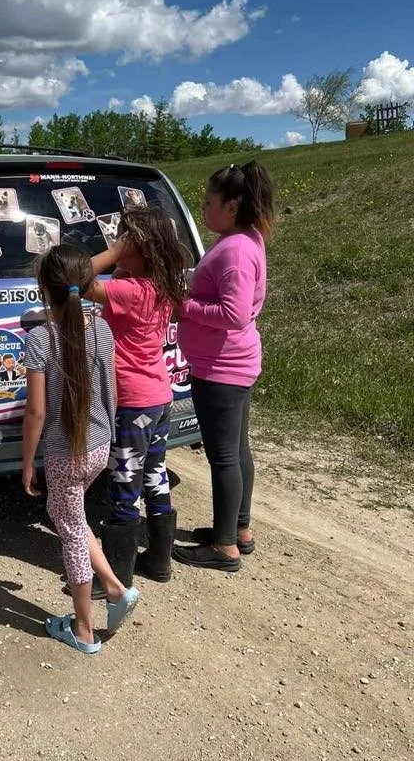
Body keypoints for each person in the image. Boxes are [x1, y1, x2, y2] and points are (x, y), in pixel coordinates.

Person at [22, 244, 139, 655]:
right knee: (67, 513)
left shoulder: (39, 338)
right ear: (87, 285)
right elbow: (115, 388)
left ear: (43, 287)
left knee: (69, 529)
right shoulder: (102, 328)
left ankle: (85, 630)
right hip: (98, 444)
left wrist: (26, 463)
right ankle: (113, 587)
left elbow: (35, 413)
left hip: (63, 452)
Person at [174, 161, 275, 572]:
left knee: (224, 457)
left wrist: (184, 305)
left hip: (222, 368)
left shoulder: (234, 249)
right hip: (234, 361)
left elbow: (232, 313)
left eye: (208, 202)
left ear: (232, 206)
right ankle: (238, 528)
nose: (203, 208)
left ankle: (224, 547)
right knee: (237, 450)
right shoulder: (247, 238)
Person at [86, 206, 188, 588]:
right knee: (155, 475)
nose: (114, 241)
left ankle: (117, 574)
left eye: (123, 237)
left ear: (137, 245)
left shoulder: (128, 292)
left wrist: (113, 254)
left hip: (132, 401)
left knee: (124, 482)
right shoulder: (159, 284)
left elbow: (73, 278)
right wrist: (124, 259)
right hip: (159, 396)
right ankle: (159, 560)